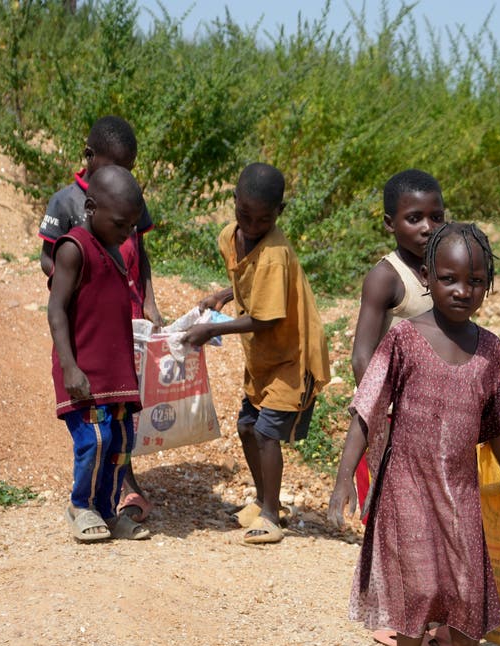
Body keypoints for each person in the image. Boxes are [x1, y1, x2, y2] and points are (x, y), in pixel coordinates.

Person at [329, 222, 500, 646]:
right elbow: (367, 407)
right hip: (406, 482)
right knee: (417, 580)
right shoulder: (405, 338)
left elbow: (496, 423)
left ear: (488, 285)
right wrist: (345, 478)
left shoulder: (491, 352)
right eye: (450, 278)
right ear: (429, 278)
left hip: (458, 488)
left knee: (464, 585)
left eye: (476, 281)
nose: (463, 290)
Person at [184, 163, 329, 544]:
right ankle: (266, 501)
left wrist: (212, 329)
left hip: (293, 356)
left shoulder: (275, 254)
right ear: (233, 203)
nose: (251, 224)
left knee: (266, 434)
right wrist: (224, 295)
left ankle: (270, 515)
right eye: (244, 214)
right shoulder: (231, 238)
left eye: (263, 218)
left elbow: (266, 318)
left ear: (279, 213)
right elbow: (248, 281)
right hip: (263, 357)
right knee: (247, 426)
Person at [39, 115, 161, 525]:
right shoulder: (73, 238)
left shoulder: (122, 215)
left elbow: (139, 256)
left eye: (131, 227)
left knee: (121, 436)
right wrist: (73, 285)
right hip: (85, 348)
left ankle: (110, 508)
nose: (128, 233)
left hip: (116, 353)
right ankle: (83, 505)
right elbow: (55, 298)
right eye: (121, 226)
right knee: (95, 436)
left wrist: (148, 302)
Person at [350, 169, 452, 646]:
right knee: (400, 525)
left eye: (436, 216)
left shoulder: (447, 268)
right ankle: (393, 619)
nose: (428, 227)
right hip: (403, 423)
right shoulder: (387, 277)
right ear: (391, 223)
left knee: (444, 520)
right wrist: (385, 416)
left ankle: (436, 617)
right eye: (415, 218)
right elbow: (361, 356)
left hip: (447, 424)